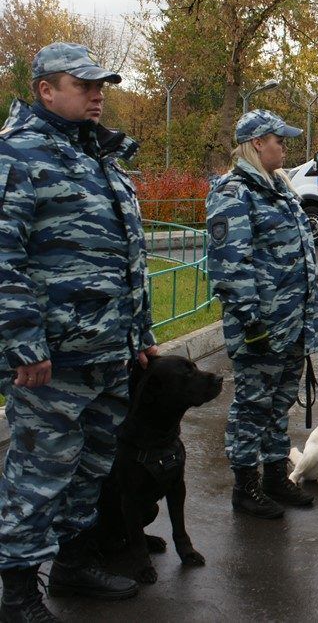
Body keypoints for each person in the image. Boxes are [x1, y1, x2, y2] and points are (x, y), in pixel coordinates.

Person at [0, 42, 156, 619]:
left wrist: (139, 333)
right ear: (45, 89)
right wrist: (23, 342)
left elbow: (127, 257)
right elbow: (3, 255)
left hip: (107, 351)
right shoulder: (17, 155)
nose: (97, 95)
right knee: (38, 474)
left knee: (89, 467)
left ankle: (70, 564)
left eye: (101, 86)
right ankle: (16, 592)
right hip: (52, 359)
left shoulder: (97, 157)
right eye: (84, 85)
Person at [207, 109, 318, 519]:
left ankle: (275, 477)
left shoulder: (278, 187)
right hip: (262, 326)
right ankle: (245, 486)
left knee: (278, 404)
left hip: (292, 323)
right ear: (257, 143)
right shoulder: (234, 192)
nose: (284, 146)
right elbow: (229, 265)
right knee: (252, 405)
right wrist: (252, 322)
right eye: (279, 139)